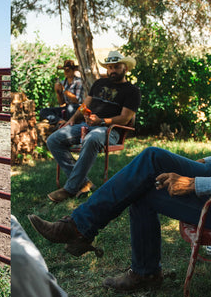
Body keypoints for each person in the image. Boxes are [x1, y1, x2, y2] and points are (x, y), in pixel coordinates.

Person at [29, 55, 211, 292]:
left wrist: (194, 183)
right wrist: (206, 160)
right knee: (152, 156)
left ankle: (108, 249)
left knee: (143, 191)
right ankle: (85, 231)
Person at [44, 50, 141, 202]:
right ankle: (83, 183)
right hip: (86, 125)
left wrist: (101, 121)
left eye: (116, 67)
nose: (112, 70)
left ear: (125, 69)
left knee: (91, 138)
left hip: (109, 130)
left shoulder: (132, 91)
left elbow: (124, 118)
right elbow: (84, 105)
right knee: (53, 140)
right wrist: (73, 120)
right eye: (109, 67)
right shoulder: (99, 84)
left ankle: (70, 189)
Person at [38, 59, 85, 125]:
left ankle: (66, 121)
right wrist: (58, 92)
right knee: (43, 111)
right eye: (65, 70)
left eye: (68, 70)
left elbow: (77, 100)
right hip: (67, 108)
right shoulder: (63, 82)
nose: (66, 72)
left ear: (73, 71)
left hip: (77, 108)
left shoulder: (78, 82)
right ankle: (60, 121)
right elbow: (61, 102)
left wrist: (64, 90)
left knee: (70, 108)